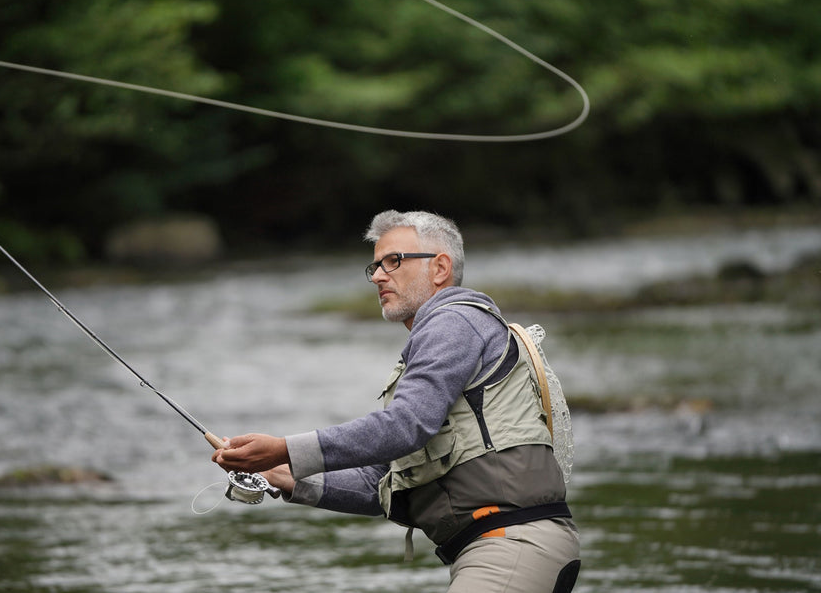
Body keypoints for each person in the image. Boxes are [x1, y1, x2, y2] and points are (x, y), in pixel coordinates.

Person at [212, 209, 580, 592]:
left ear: (440, 268)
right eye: (375, 266)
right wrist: (285, 474)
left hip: (513, 545)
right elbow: (383, 482)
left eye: (394, 261)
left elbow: (405, 427)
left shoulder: (453, 322)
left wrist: (285, 448)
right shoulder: (442, 337)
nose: (378, 276)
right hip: (503, 547)